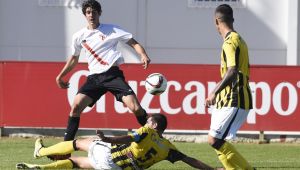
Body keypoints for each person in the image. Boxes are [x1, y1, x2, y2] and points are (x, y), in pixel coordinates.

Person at [56, 0, 150, 145]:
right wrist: (61, 76)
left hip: (113, 75)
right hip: (94, 78)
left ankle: (152, 136)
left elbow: (133, 43)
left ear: (99, 13)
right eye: (88, 12)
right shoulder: (79, 36)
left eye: (94, 12)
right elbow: (74, 59)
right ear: (84, 15)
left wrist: (143, 55)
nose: (91, 15)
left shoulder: (112, 29)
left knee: (135, 107)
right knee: (75, 107)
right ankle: (65, 147)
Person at [16, 114, 219, 170]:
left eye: (149, 120)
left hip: (110, 155)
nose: (146, 121)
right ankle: (41, 169)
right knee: (77, 162)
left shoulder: (147, 131)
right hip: (116, 169)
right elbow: (189, 159)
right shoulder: (168, 148)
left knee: (79, 142)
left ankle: (40, 152)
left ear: (154, 125)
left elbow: (128, 138)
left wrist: (107, 139)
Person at [205, 4, 254, 170]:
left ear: (216, 21)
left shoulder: (230, 42)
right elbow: (233, 71)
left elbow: (232, 71)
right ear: (232, 19)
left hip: (235, 97)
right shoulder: (239, 39)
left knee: (214, 140)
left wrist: (214, 92)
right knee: (217, 140)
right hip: (228, 98)